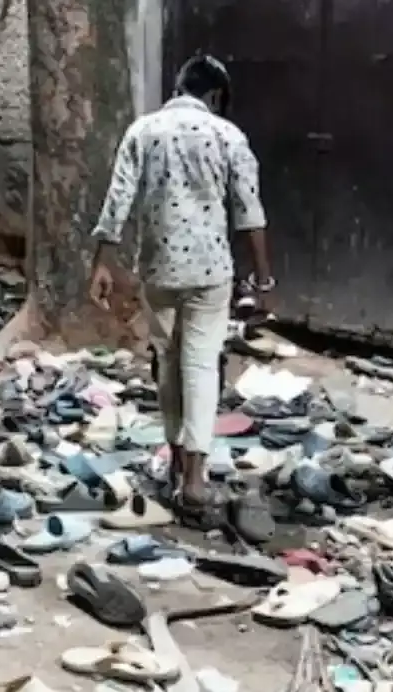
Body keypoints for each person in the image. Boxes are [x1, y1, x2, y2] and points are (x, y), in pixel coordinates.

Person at [87, 53, 272, 520]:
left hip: (159, 269)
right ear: (213, 95)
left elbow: (118, 199)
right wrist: (263, 277)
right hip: (210, 273)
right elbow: (249, 211)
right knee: (201, 366)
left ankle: (174, 463)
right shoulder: (228, 136)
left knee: (168, 364)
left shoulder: (142, 131)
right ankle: (194, 479)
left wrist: (102, 261)